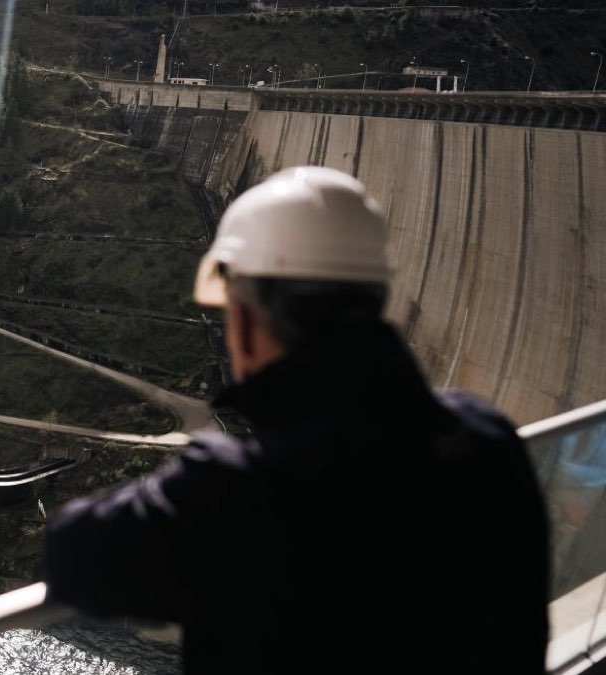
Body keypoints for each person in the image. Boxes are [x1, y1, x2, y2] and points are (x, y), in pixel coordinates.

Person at [44, 166, 550, 673]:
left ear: (246, 319)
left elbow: (74, 554)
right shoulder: (488, 437)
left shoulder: (241, 486)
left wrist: (210, 464)